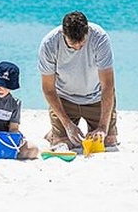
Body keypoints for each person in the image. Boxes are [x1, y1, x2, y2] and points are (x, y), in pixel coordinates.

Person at [38, 11, 118, 148]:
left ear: (87, 31)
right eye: (73, 44)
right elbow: (48, 89)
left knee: (107, 142)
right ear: (64, 33)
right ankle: (55, 133)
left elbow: (108, 85)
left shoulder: (100, 38)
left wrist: (103, 127)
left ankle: (60, 130)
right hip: (64, 99)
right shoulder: (49, 44)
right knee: (65, 144)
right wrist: (67, 124)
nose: (77, 47)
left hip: (96, 98)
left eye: (82, 43)